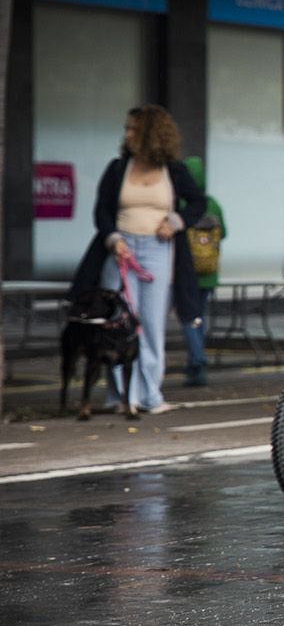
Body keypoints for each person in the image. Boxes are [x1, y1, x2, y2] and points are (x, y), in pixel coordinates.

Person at [70, 105, 206, 415]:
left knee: (151, 321)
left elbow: (198, 202)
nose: (127, 134)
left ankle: (149, 395)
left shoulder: (174, 170)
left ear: (150, 134)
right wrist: (113, 239)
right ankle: (121, 396)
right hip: (122, 249)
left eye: (133, 129)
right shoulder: (118, 168)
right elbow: (102, 210)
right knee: (116, 321)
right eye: (126, 128)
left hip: (158, 249)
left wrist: (174, 222)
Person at [180, 156, 226, 386]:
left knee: (187, 316)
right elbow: (224, 233)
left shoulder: (180, 205)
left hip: (185, 271)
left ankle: (197, 359)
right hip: (209, 273)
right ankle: (196, 360)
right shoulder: (213, 204)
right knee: (199, 316)